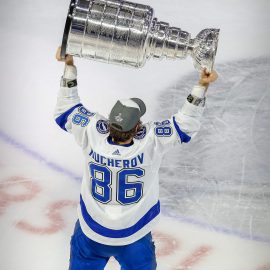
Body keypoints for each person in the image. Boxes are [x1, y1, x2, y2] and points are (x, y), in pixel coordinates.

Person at [55, 47, 218, 270]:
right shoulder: (149, 141)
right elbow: (184, 124)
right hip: (133, 236)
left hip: (91, 231)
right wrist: (202, 86)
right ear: (137, 127)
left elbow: (66, 109)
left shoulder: (92, 131)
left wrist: (70, 67)